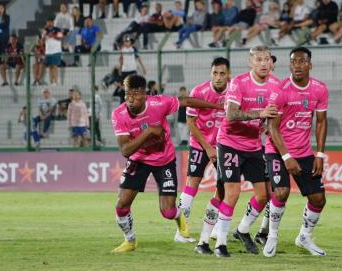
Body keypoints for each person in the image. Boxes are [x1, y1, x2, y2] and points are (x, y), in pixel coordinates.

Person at [110, 74, 223, 253]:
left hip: (164, 160)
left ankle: (180, 220)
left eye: (135, 94)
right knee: (121, 205)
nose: (130, 99)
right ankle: (130, 240)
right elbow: (125, 151)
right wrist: (149, 133)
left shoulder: (159, 103)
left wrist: (217, 106)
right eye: (127, 95)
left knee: (168, 212)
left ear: (144, 94)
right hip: (138, 160)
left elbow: (187, 101)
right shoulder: (119, 114)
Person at [212, 46, 279, 257]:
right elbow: (231, 114)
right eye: (258, 59)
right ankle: (220, 243)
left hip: (253, 146)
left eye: (266, 59)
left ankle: (242, 229)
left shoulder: (276, 85)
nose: (263, 63)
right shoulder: (238, 83)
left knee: (264, 194)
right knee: (232, 192)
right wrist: (260, 113)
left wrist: (269, 126)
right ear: (251, 63)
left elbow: (272, 116)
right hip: (230, 143)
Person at [263, 47, 329, 257]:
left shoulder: (319, 89)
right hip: (277, 150)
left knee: (318, 199)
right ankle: (272, 236)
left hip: (304, 152)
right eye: (293, 62)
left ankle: (304, 237)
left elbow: (321, 122)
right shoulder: (281, 90)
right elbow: (272, 128)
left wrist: (319, 154)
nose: (297, 65)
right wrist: (286, 157)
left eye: (302, 61)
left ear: (310, 64)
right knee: (281, 192)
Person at [173, 57, 229, 250]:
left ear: (228, 74)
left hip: (224, 146)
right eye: (215, 73)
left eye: (222, 73)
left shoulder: (234, 92)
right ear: (210, 73)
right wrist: (207, 147)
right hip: (200, 144)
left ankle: (215, 228)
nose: (218, 77)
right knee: (192, 184)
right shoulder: (199, 92)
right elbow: (191, 123)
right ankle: (181, 231)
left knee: (225, 187)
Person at [42, 18, 63, 86]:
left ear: (53, 23)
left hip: (56, 50)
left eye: (50, 22)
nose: (49, 23)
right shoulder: (45, 30)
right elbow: (42, 40)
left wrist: (53, 36)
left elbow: (60, 38)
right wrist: (44, 35)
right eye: (48, 22)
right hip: (48, 51)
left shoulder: (58, 29)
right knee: (50, 66)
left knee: (55, 66)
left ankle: (56, 81)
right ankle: (51, 81)